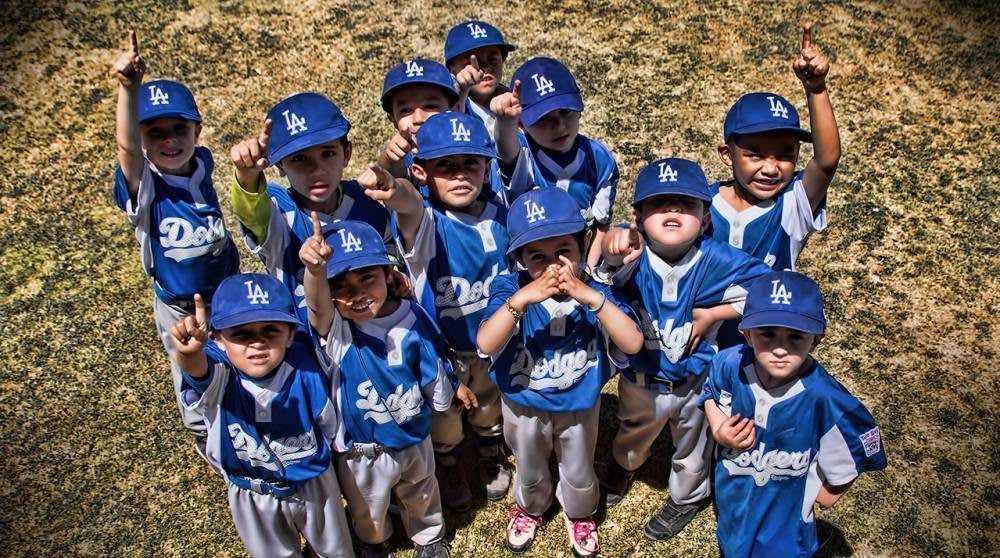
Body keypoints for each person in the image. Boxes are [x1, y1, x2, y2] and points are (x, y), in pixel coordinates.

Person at [597, 158, 770, 540]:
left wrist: (715, 313)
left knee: (694, 446)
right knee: (632, 432)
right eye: (659, 203)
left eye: (686, 204)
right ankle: (625, 466)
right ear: (637, 217)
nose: (673, 210)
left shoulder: (717, 258)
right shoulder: (632, 255)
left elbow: (769, 292)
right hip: (641, 379)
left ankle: (688, 496)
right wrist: (610, 253)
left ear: (705, 219)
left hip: (697, 384)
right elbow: (601, 281)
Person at [477, 188, 643, 557]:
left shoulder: (597, 291)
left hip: (579, 402)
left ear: (585, 245)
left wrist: (591, 297)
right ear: (519, 259)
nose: (554, 266)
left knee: (579, 466)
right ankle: (530, 507)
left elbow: (632, 344)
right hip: (523, 403)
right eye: (538, 256)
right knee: (530, 464)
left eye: (564, 252)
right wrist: (520, 301)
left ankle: (579, 512)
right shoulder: (510, 289)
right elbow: (486, 343)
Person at [360, 112, 511, 509]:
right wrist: (394, 190)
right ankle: (447, 461)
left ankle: (489, 451)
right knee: (444, 417)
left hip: (493, 345)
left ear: (487, 168)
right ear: (421, 172)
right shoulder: (426, 220)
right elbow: (407, 205)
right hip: (442, 350)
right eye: (445, 165)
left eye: (470, 164)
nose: (460, 175)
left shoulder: (501, 211)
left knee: (488, 405)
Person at [299, 218, 468, 558]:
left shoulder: (412, 315)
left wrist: (449, 391)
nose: (358, 294)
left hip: (414, 434)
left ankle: (429, 537)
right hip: (363, 450)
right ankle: (374, 541)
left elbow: (432, 360)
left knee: (421, 490)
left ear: (388, 275)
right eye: (341, 286)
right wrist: (315, 273)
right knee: (367, 505)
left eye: (367, 278)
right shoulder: (338, 333)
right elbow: (317, 309)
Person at [110, 30, 239, 449]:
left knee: (240, 355)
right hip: (178, 303)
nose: (169, 140)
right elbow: (127, 152)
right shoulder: (145, 184)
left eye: (179, 129)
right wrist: (129, 90)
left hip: (225, 290)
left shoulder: (201, 162)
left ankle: (242, 417)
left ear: (197, 131)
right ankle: (205, 434)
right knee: (190, 362)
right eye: (155, 133)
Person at [700, 270, 887, 557]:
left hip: (785, 524)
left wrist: (829, 493)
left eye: (795, 337)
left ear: (817, 340)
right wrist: (718, 427)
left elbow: (857, 449)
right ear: (746, 334)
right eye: (767, 334)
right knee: (732, 543)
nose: (780, 349)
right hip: (734, 496)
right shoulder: (729, 363)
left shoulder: (826, 398)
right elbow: (712, 393)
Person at [169, 273, 352, 558]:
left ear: (291, 334)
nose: (257, 343)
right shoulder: (221, 377)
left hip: (312, 483)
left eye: (270, 330)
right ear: (217, 338)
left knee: (335, 550)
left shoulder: (304, 366)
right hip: (253, 491)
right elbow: (196, 370)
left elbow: (328, 424)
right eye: (241, 333)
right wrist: (189, 353)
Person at [229, 92, 399, 332]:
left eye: (328, 153)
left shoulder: (365, 199)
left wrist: (394, 273)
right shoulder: (277, 214)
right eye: (299, 158)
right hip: (310, 348)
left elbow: (390, 248)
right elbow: (249, 210)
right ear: (279, 166)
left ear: (346, 154)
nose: (316, 169)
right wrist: (247, 176)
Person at [710, 24, 840, 273]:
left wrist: (816, 89)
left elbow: (827, 161)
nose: (770, 168)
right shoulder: (702, 203)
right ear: (727, 154)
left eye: (784, 156)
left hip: (771, 313)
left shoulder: (793, 204)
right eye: (755, 154)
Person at [490, 56, 619, 267]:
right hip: (531, 268)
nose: (559, 126)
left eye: (566, 112)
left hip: (579, 264)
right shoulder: (523, 151)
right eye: (543, 118)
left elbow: (601, 226)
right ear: (522, 123)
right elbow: (506, 151)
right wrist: (505, 123)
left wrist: (587, 272)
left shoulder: (599, 159)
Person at [444, 20, 523, 198]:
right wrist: (461, 90)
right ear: (452, 69)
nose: (485, 68)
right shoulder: (453, 105)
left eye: (492, 59)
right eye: (473, 62)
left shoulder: (516, 97)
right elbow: (449, 124)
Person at [375, 58, 461, 181]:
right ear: (393, 119)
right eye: (405, 110)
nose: (419, 118)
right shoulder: (401, 154)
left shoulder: (473, 146)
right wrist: (389, 159)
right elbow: (389, 172)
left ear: (454, 110)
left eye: (430, 106)